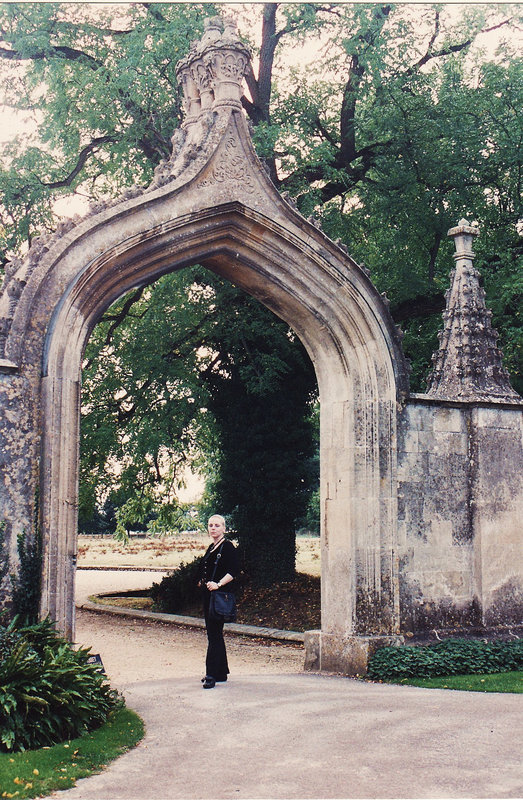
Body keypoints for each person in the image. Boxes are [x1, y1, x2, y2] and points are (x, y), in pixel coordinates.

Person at [199, 514, 239, 689]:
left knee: (214, 635)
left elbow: (234, 570)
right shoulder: (212, 547)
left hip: (219, 597)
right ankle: (221, 672)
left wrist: (218, 584)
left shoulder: (227, 547)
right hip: (209, 597)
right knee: (214, 634)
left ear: (224, 528)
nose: (213, 528)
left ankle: (210, 674)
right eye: (210, 525)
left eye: (216, 525)